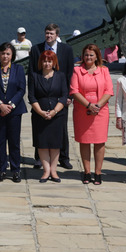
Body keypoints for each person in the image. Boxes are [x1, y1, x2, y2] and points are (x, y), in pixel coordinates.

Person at [28, 23, 75, 170]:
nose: (49, 36)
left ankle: (64, 157)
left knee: (61, 128)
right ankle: (39, 158)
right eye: (47, 33)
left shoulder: (66, 50)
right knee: (39, 127)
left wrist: (68, 95)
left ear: (57, 35)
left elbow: (69, 73)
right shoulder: (36, 49)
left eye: (52, 33)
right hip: (41, 92)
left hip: (60, 96)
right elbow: (31, 72)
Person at [70, 44, 114, 185]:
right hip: (82, 110)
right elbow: (74, 91)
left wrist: (98, 105)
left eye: (91, 55)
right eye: (86, 55)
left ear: (97, 56)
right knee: (84, 141)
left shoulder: (104, 70)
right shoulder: (77, 70)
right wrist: (88, 105)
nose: (88, 57)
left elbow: (109, 90)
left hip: (101, 110)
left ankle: (98, 172)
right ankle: (87, 172)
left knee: (100, 141)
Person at [0, 42, 27, 182]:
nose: (5, 56)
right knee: (0, 141)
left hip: (14, 111)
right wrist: (0, 105)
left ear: (12, 55)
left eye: (8, 54)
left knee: (14, 141)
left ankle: (15, 170)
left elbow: (21, 89)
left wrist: (10, 105)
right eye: (3, 53)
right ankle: (1, 169)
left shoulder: (18, 69)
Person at [28, 50, 69, 183]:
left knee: (55, 144)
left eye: (50, 61)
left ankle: (54, 170)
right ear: (41, 62)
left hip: (57, 115)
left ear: (54, 62)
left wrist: (54, 111)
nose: (47, 63)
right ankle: (46, 171)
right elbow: (31, 96)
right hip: (39, 114)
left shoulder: (60, 76)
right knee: (42, 143)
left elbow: (64, 96)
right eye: (45, 61)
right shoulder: (34, 76)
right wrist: (40, 111)